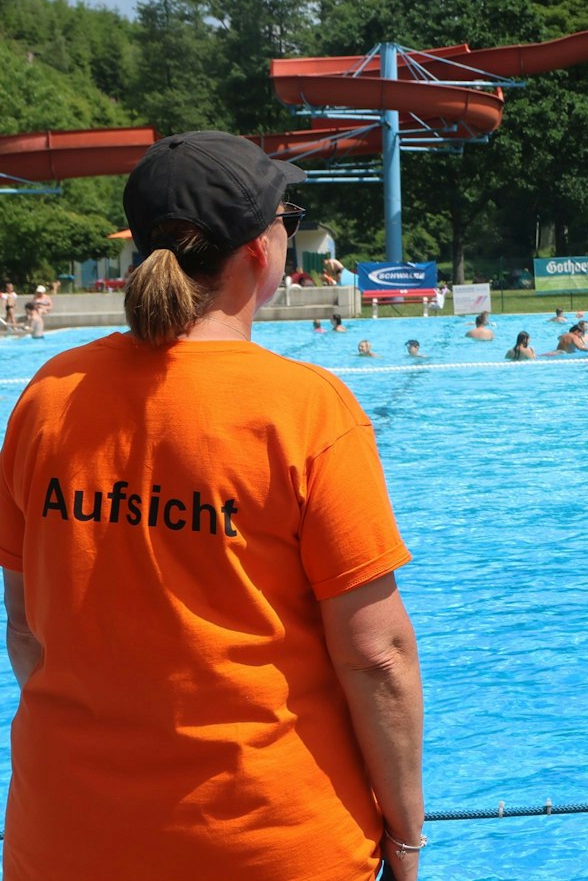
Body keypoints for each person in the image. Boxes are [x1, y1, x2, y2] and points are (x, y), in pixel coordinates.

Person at [0, 131, 423, 879]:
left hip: (63, 836)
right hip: (266, 843)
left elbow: (28, 631)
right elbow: (376, 656)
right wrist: (407, 831)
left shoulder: (48, 397)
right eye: (286, 213)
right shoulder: (306, 411)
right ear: (261, 249)